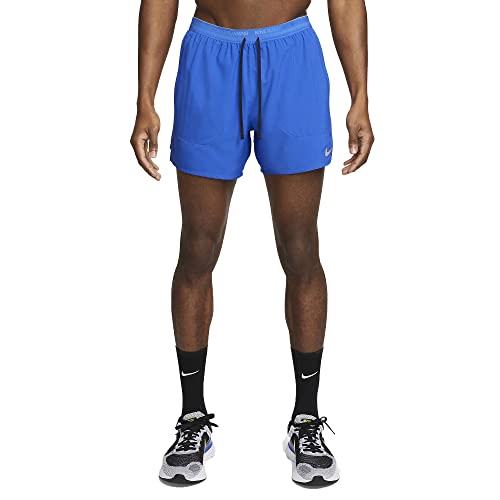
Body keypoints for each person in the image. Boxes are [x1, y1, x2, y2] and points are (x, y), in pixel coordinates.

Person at [131, 0, 374, 487]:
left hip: (292, 57)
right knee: (197, 248)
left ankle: (306, 419)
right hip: (210, 55)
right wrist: (145, 98)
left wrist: (361, 96)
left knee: (300, 248)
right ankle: (192, 417)